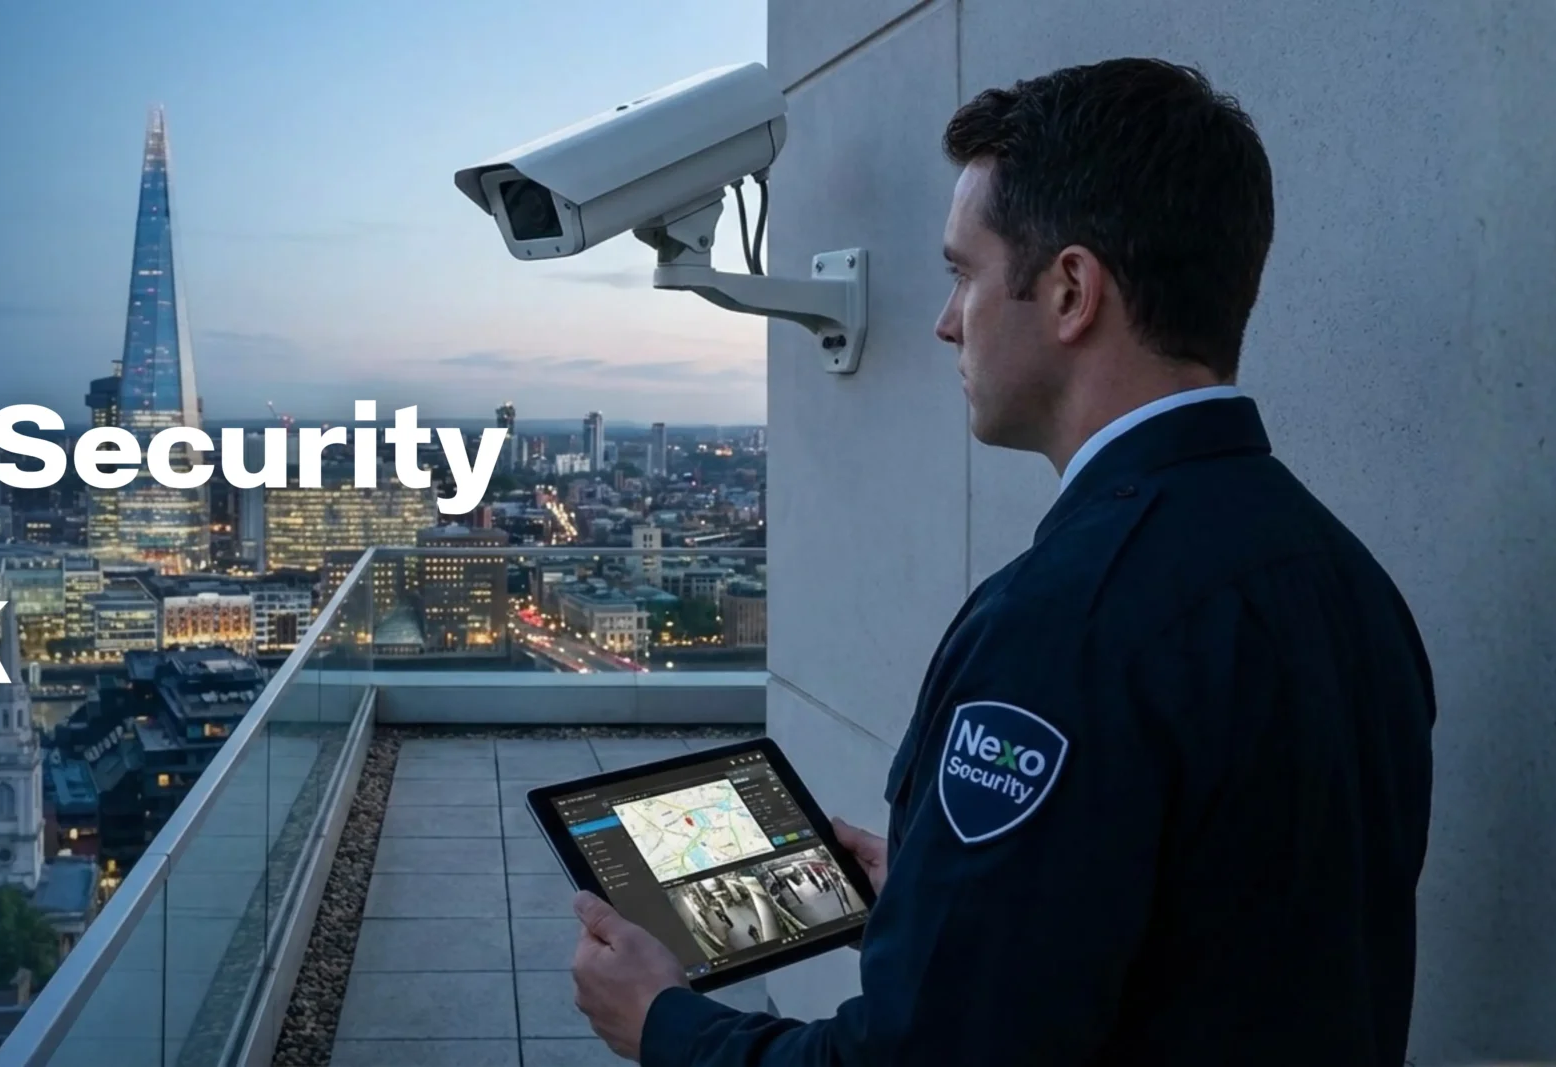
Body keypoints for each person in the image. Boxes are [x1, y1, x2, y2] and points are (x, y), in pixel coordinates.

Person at [568, 56, 1437, 1066]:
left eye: (962, 273)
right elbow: (1233, 932)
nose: (944, 321)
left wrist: (667, 1022)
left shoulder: (1064, 623)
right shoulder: (1345, 578)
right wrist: (955, 891)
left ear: (1070, 290)